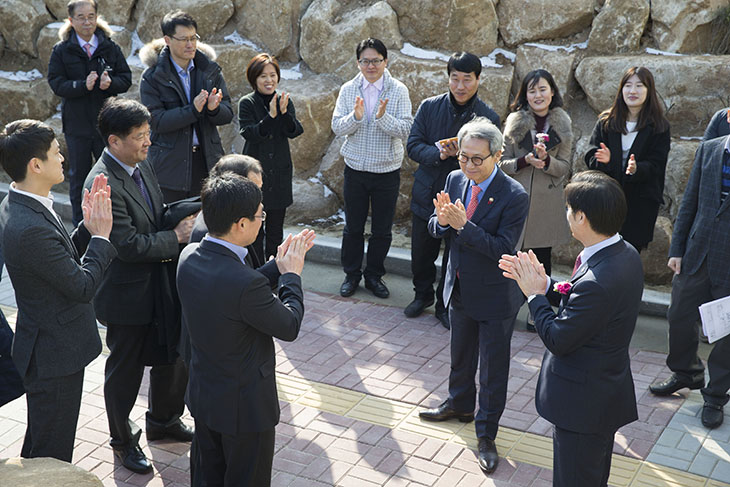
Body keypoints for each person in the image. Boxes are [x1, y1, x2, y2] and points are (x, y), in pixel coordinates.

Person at [499, 170, 642, 487]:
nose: (566, 215)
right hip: (602, 394)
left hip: (582, 405)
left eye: (568, 209)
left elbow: (558, 338)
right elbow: (586, 304)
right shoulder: (624, 254)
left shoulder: (598, 281)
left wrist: (534, 294)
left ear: (582, 217)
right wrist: (549, 285)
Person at [177, 173, 314, 486]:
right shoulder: (245, 284)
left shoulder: (188, 257)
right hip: (245, 408)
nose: (261, 220)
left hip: (205, 395)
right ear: (240, 224)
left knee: (206, 475)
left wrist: (274, 268)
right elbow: (289, 325)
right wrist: (291, 275)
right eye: (259, 215)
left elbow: (231, 292)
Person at [85, 98, 196, 474]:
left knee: (171, 356)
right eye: (140, 137)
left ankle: (164, 420)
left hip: (159, 284)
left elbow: (157, 215)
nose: (148, 143)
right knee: (126, 370)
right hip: (127, 294)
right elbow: (125, 245)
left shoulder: (138, 164)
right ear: (114, 141)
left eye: (149, 134)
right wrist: (176, 238)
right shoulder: (102, 182)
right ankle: (122, 439)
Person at [0, 119, 116, 462]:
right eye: (55, 153)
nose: (63, 158)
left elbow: (55, 262)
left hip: (47, 346)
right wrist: (100, 237)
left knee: (41, 440)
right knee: (52, 452)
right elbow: (81, 286)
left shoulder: (20, 202)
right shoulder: (30, 225)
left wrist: (85, 228)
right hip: (54, 354)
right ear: (36, 165)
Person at [419, 117, 529, 474]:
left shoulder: (514, 195)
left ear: (497, 155)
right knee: (460, 354)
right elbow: (438, 227)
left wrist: (462, 225)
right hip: (459, 285)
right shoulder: (455, 179)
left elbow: (501, 247)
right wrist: (441, 220)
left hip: (496, 295)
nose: (467, 165)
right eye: (463, 157)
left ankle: (487, 434)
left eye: (476, 159)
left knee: (493, 369)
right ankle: (459, 404)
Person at [405, 51, 500, 328]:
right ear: (448, 79)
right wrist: (439, 153)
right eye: (455, 78)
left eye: (467, 79)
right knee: (421, 252)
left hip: (466, 198)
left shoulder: (487, 117)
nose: (460, 86)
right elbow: (413, 145)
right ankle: (421, 295)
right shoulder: (429, 107)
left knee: (454, 258)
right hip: (429, 193)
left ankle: (444, 305)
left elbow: (493, 158)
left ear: (478, 80)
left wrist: (468, 158)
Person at [649, 132, 730, 430]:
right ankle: (686, 372)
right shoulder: (708, 150)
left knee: (726, 333)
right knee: (679, 314)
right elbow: (690, 201)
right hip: (697, 252)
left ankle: (715, 396)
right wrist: (677, 248)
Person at [331, 38, 413, 299]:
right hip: (355, 168)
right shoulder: (348, 89)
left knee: (381, 230)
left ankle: (374, 276)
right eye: (365, 61)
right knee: (353, 227)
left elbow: (406, 129)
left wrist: (382, 118)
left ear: (385, 61)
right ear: (358, 63)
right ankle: (352, 275)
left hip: (387, 171)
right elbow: (337, 127)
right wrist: (355, 117)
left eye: (376, 60)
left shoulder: (398, 90)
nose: (371, 66)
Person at [499, 69, 572, 332]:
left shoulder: (563, 125)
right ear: (525, 95)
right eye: (532, 90)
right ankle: (506, 307)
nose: (538, 95)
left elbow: (565, 167)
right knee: (512, 257)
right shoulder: (514, 123)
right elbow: (500, 162)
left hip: (546, 203)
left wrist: (546, 161)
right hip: (516, 199)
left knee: (541, 259)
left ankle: (537, 310)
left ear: (552, 92)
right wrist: (524, 160)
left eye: (543, 89)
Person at [47, 0, 131, 225]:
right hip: (78, 126)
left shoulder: (109, 47)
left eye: (91, 16)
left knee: (111, 176)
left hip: (107, 125)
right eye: (81, 17)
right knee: (79, 178)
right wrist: (81, 85)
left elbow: (126, 79)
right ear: (71, 20)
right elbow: (56, 84)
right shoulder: (62, 50)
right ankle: (80, 228)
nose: (87, 22)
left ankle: (114, 225)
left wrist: (110, 83)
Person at [139, 10, 233, 203]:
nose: (190, 45)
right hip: (170, 166)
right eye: (183, 39)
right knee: (174, 227)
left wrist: (214, 109)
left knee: (207, 225)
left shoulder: (209, 70)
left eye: (193, 38)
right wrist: (193, 110)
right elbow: (156, 121)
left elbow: (228, 113)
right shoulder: (153, 76)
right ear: (167, 39)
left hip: (207, 161)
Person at [585, 66, 670, 252]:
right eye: (628, 85)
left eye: (639, 86)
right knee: (601, 251)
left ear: (649, 90)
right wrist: (604, 161)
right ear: (621, 89)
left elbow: (657, 163)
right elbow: (591, 155)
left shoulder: (659, 127)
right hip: (606, 200)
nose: (633, 91)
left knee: (629, 254)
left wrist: (636, 169)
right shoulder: (606, 122)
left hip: (639, 203)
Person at [239, 53, 304, 260]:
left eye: (273, 75)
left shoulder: (284, 100)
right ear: (254, 79)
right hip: (254, 176)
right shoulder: (247, 103)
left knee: (276, 231)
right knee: (254, 231)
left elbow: (294, 131)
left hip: (279, 176)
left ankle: (275, 271)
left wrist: (284, 114)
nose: (269, 80)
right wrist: (271, 116)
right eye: (263, 76)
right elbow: (250, 133)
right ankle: (256, 273)